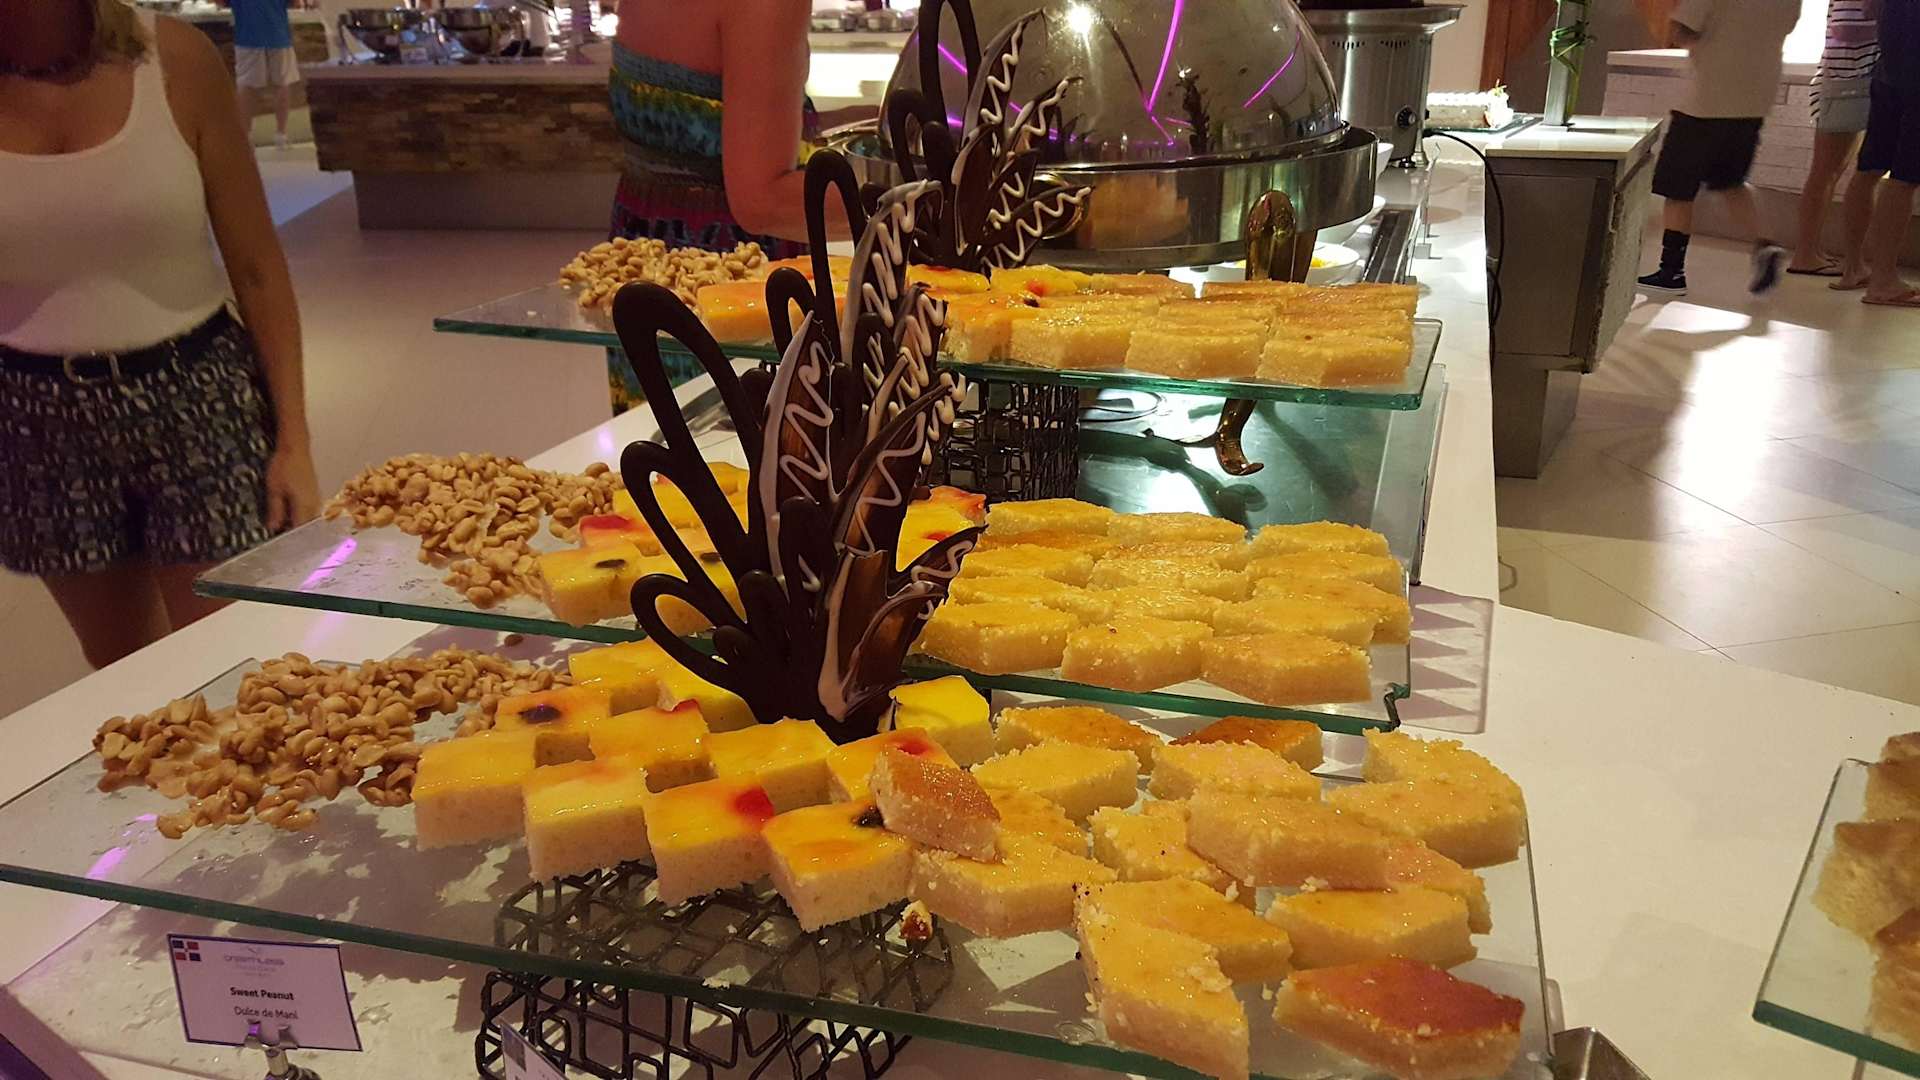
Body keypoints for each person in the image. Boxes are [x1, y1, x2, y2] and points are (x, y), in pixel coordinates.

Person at [0, 0, 318, 668]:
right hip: (35, 413)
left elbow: (257, 267)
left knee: (232, 661)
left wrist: (293, 439)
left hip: (196, 392)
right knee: (123, 668)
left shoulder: (174, 60)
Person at [601, 0, 868, 412]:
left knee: (657, 444)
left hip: (643, 288)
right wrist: (926, 198)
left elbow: (693, 124)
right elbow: (762, 202)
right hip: (728, 316)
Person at [1636, 0, 1803, 297]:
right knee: (1730, 182)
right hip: (1754, 101)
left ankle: (1671, 271)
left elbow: (1683, 30)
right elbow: (1785, 27)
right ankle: (1766, 243)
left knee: (1677, 190)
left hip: (1706, 100)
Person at [1836, 0, 1920, 306]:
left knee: (1869, 168)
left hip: (1889, 69)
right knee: (1906, 176)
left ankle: (1853, 268)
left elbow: (1869, 8)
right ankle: (1883, 280)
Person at [1787, 0, 1879, 276]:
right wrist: (1893, 27)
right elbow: (1845, 28)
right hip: (1850, 84)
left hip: (1845, 84)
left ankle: (1809, 252)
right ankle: (1807, 253)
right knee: (1830, 172)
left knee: (1828, 173)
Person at [229, 0, 297, 150]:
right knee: (282, 83)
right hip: (278, 32)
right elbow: (295, 3)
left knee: (247, 85)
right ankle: (281, 135)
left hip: (247, 33)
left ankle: (245, 137)